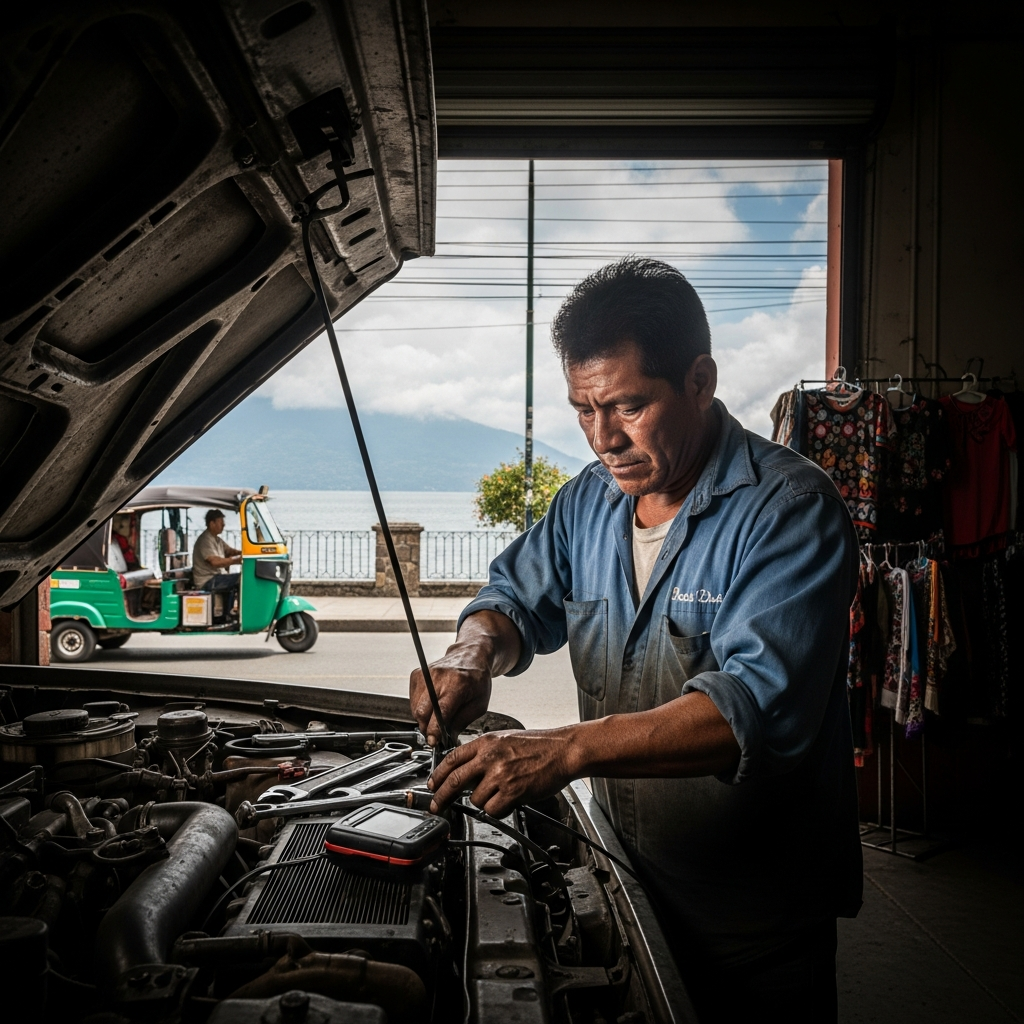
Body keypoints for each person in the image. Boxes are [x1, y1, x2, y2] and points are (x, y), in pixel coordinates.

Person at [411, 258, 861, 1023]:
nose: (602, 438)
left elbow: (753, 709)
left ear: (699, 380)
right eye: (583, 410)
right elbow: (513, 599)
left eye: (627, 405)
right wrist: (471, 653)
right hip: (621, 881)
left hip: (750, 919)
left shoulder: (789, 510)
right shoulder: (588, 502)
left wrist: (565, 749)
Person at [192, 510, 242, 594]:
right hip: (208, 580)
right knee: (242, 578)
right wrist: (236, 560)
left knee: (240, 578)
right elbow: (215, 562)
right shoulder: (205, 540)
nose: (223, 525)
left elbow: (230, 551)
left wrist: (245, 553)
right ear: (212, 524)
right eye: (221, 522)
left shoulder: (217, 539)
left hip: (217, 577)